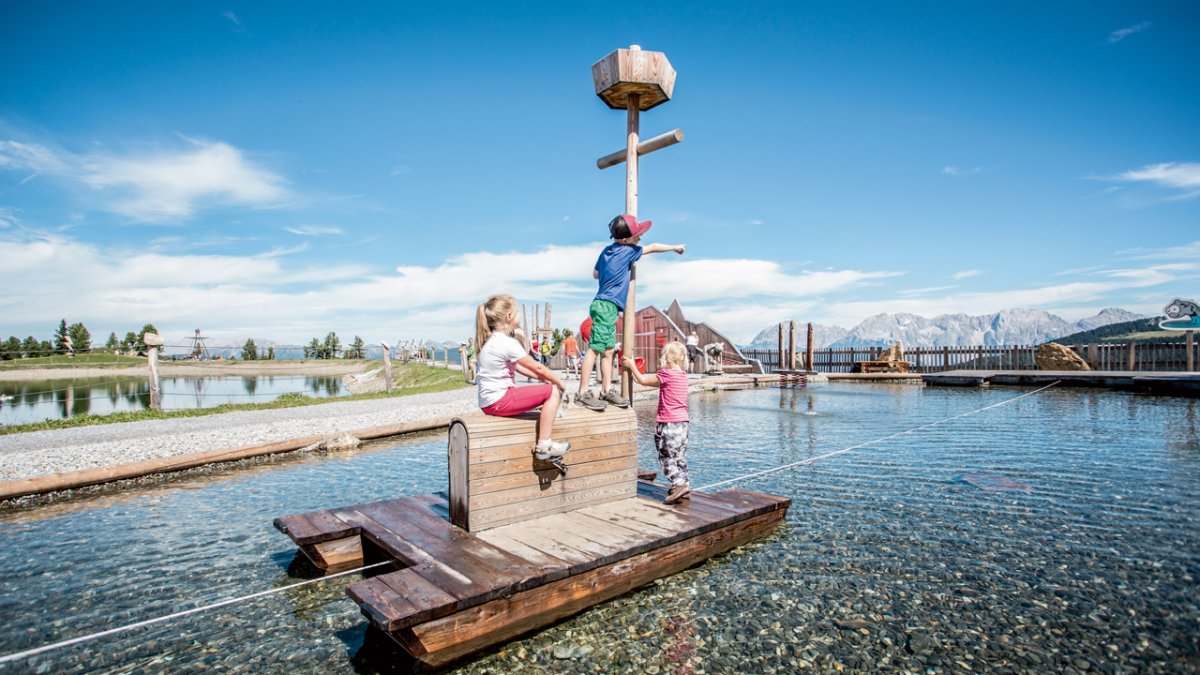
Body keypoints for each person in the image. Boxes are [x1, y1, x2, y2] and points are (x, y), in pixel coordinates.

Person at [576, 215, 685, 412]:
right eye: (637, 235)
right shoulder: (628, 251)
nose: (640, 237)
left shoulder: (607, 251)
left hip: (602, 304)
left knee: (608, 350)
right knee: (595, 349)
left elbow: (595, 274)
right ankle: (582, 393)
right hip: (606, 305)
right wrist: (674, 247)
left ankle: (607, 390)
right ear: (626, 240)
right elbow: (652, 247)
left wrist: (611, 271)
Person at [475, 294, 570, 460]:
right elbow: (538, 366)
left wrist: (543, 379)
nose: (518, 316)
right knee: (553, 392)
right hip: (499, 400)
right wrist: (558, 382)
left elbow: (517, 367)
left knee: (547, 390)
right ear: (509, 316)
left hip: (489, 402)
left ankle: (547, 412)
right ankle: (544, 446)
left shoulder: (494, 340)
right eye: (517, 313)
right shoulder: (506, 343)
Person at [623, 342, 691, 504]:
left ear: (666, 358)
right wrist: (636, 373)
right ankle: (685, 484)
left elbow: (643, 380)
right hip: (683, 423)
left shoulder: (666, 374)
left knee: (665, 455)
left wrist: (632, 365)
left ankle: (679, 484)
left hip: (668, 422)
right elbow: (644, 381)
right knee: (680, 456)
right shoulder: (682, 375)